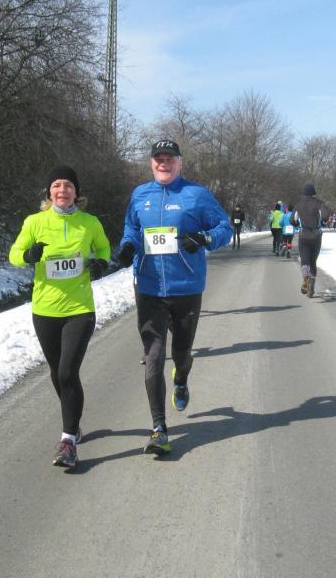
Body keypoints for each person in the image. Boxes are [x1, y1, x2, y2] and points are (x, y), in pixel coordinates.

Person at [116, 139, 232, 455]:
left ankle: (180, 379)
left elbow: (224, 228)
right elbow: (131, 229)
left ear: (180, 163)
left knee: (181, 353)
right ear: (151, 163)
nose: (163, 163)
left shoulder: (197, 195)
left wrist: (204, 238)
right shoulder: (140, 195)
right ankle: (159, 429)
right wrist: (127, 247)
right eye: (158, 158)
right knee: (153, 355)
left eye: (169, 158)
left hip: (186, 287)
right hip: (149, 287)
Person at [9, 166, 111, 470]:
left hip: (79, 309)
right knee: (57, 372)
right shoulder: (35, 222)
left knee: (67, 371)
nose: (62, 190)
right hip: (45, 310)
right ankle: (74, 424)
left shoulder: (89, 223)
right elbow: (14, 254)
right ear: (49, 192)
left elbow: (104, 247)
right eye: (56, 185)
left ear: (76, 193)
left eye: (68, 185)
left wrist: (101, 262)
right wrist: (28, 256)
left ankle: (68, 440)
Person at [292, 183, 327, 298]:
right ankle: (311, 288)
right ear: (313, 193)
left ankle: (305, 277)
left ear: (304, 193)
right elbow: (326, 214)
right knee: (313, 261)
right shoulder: (319, 203)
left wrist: (296, 224)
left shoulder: (298, 205)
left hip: (303, 236)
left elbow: (292, 220)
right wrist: (323, 221)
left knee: (305, 261)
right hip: (316, 236)